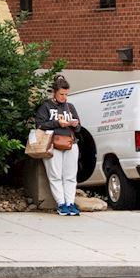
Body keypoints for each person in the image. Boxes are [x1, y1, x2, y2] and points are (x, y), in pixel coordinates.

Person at [34, 75, 83, 215]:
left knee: (70, 175)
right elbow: (40, 125)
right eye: (61, 94)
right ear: (54, 92)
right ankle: (61, 204)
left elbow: (79, 128)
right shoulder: (46, 106)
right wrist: (57, 123)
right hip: (52, 143)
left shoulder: (70, 107)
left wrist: (75, 124)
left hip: (70, 143)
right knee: (55, 174)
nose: (64, 97)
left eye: (66, 94)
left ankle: (70, 203)